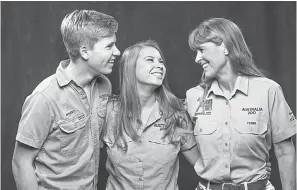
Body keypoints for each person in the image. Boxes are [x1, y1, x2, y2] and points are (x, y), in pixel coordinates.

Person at [12, 9, 120, 190]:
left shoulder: (104, 85)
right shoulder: (44, 98)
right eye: (109, 46)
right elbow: (21, 162)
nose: (117, 52)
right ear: (85, 51)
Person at [185, 18, 296, 190]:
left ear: (224, 46)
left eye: (201, 50)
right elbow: (179, 137)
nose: (197, 58)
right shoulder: (193, 97)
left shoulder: (268, 90)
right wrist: (205, 167)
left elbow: (285, 151)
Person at [101, 39, 199, 190]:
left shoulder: (177, 113)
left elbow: (203, 166)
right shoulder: (108, 111)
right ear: (131, 67)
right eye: (150, 60)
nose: (159, 65)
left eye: (161, 61)